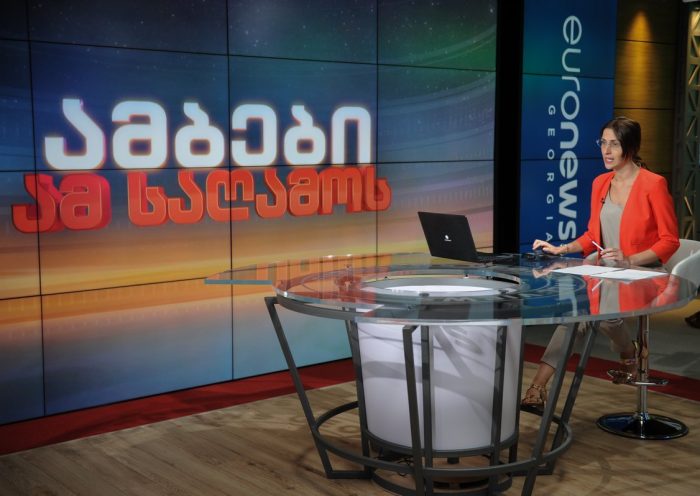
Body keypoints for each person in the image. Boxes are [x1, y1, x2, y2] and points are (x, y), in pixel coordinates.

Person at [521, 116, 680, 412]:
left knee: (601, 315)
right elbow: (593, 235)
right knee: (576, 315)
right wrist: (561, 248)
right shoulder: (600, 183)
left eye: (614, 144)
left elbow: (670, 241)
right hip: (605, 271)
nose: (606, 151)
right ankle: (537, 387)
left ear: (630, 147)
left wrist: (629, 259)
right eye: (603, 143)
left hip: (641, 271)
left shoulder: (653, 184)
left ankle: (628, 352)